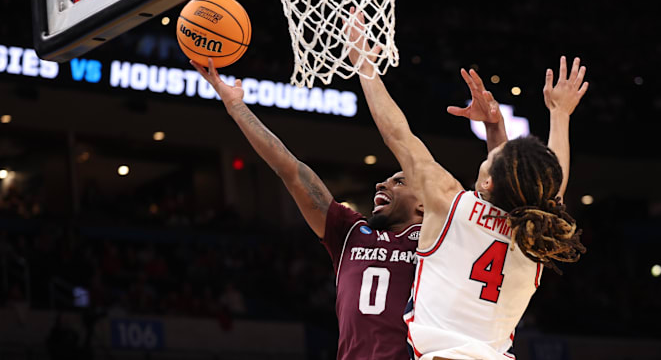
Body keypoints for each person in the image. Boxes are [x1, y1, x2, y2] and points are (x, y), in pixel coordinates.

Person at [190, 58, 509, 360]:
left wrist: (495, 129)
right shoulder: (350, 233)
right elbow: (289, 168)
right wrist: (235, 106)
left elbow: (497, 205)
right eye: (384, 181)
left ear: (426, 203)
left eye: (398, 182)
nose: (380, 186)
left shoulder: (439, 238)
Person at [347, 11, 587, 359]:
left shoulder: (450, 204)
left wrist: (363, 59)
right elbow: (551, 187)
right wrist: (558, 115)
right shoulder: (537, 233)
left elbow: (397, 133)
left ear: (488, 182)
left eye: (490, 158)